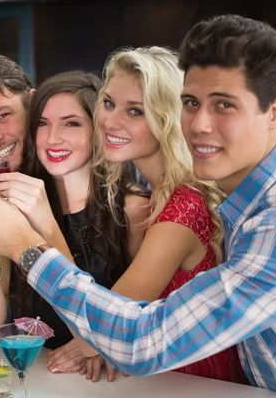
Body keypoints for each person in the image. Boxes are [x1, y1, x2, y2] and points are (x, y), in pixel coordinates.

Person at [0, 14, 276, 397]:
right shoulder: (250, 186)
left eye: (224, 106)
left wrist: (24, 246)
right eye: (192, 103)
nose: (198, 124)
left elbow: (138, 340)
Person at [47, 47, 246, 384]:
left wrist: (39, 226)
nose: (110, 121)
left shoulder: (185, 207)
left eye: (135, 111)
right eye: (108, 103)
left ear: (168, 119)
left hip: (198, 387)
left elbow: (107, 327)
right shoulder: (160, 194)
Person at [0, 71, 149, 358]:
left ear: (99, 129)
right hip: (35, 369)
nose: (53, 139)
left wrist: (92, 350)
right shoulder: (16, 198)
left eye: (72, 124)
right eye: (43, 123)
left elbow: (115, 330)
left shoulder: (132, 208)